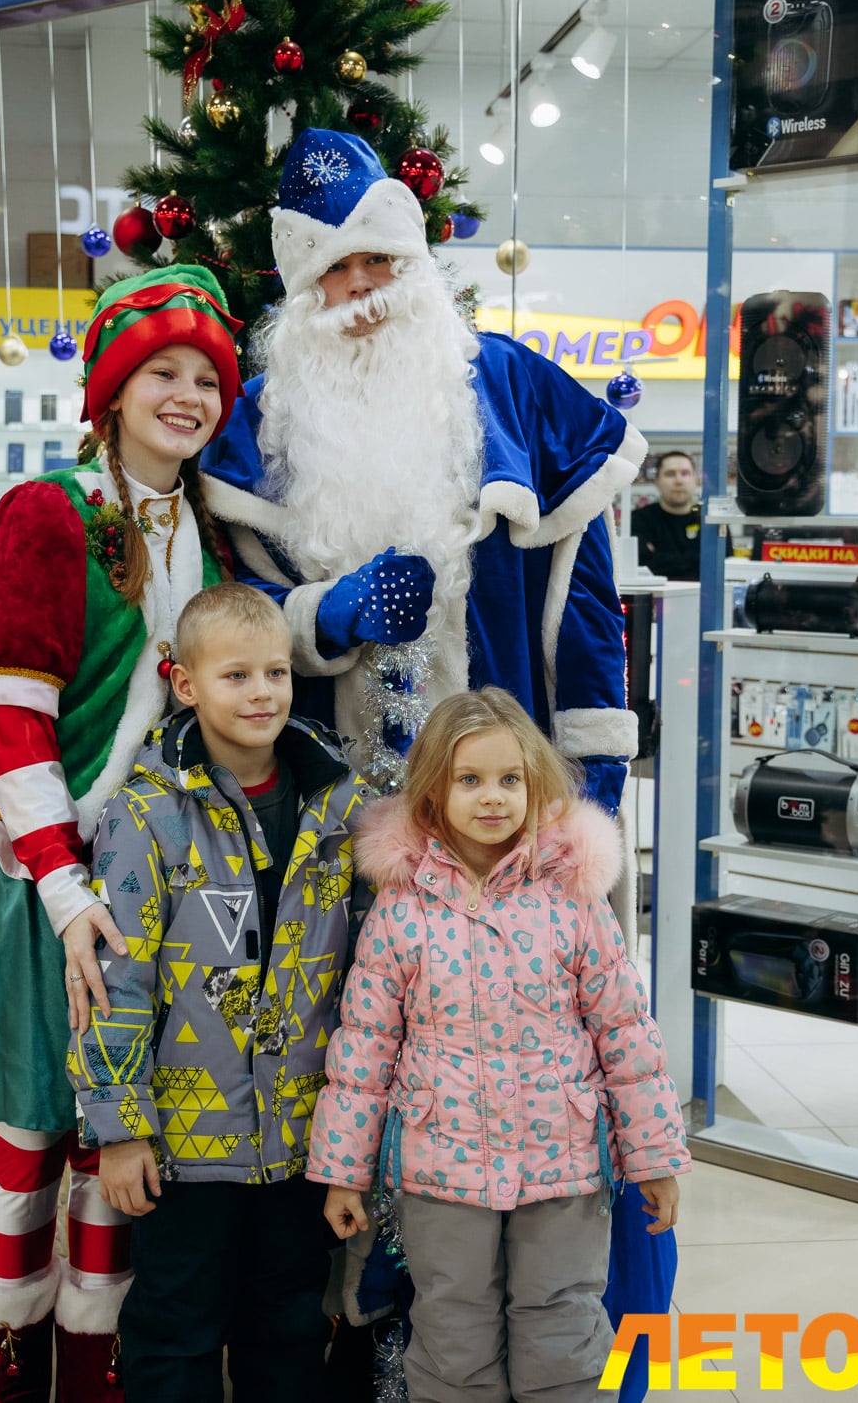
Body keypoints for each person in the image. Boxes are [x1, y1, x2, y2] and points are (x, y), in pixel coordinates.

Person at [201, 127, 669, 1402]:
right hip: (343, 844)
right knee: (359, 1074)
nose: (359, 296)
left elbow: (586, 615)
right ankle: (385, 1348)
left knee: (554, 1077)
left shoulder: (508, 387)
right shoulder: (264, 432)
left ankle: (567, 1352)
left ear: (415, 261)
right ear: (300, 293)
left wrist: (591, 803)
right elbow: (233, 630)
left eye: (376, 265)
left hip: (515, 830)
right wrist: (327, 617)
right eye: (332, 275)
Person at [0, 265, 243, 1403]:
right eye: (162, 373)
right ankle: (3, 1364)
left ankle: (95, 1361)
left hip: (138, 872)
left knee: (113, 1133)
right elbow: (11, 717)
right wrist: (60, 881)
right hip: (31, 865)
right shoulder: (49, 511)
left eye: (207, 379)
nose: (187, 397)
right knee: (30, 1128)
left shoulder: (206, 527)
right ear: (112, 390)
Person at [308, 687, 690, 1403]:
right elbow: (364, 1051)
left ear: (534, 783)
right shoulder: (401, 907)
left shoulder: (572, 897)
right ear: (434, 791)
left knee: (564, 1331)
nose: (493, 797)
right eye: (470, 779)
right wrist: (344, 1171)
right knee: (453, 1334)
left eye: (510, 778)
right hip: (441, 1168)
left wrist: (655, 1158)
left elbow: (626, 1035)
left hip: (564, 1165)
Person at [68, 580, 371, 1403]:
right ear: (185, 684)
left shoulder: (339, 805)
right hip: (183, 1149)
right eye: (236, 676)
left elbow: (372, 979)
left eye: (276, 672)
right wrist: (120, 1129)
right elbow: (114, 985)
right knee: (176, 1330)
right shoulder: (148, 816)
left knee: (289, 1328)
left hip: (302, 1140)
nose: (262, 692)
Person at [630, 450, 728, 580]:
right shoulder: (640, 519)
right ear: (657, 481)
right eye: (670, 474)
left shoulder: (711, 520)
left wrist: (660, 559)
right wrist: (699, 560)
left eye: (685, 473)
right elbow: (641, 563)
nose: (679, 481)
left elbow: (724, 563)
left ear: (696, 481)